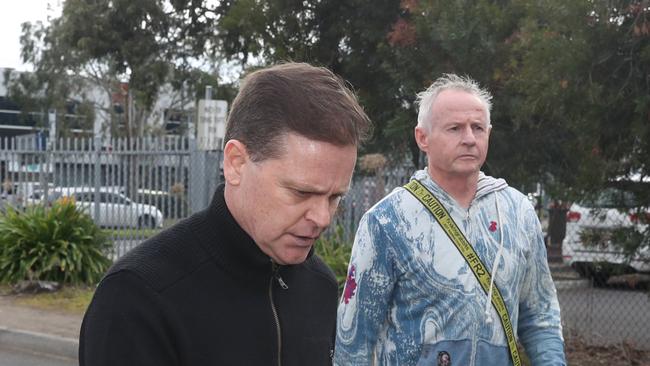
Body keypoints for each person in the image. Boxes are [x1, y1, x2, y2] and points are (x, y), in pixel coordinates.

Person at [79, 62, 371, 365]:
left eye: (335, 197)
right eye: (301, 193)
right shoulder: (137, 297)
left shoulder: (319, 286)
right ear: (236, 163)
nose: (322, 218)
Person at [335, 74, 566, 365]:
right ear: (423, 138)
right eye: (455, 128)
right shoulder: (386, 221)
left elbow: (541, 317)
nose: (469, 138)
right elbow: (354, 336)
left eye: (478, 128)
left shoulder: (518, 213)